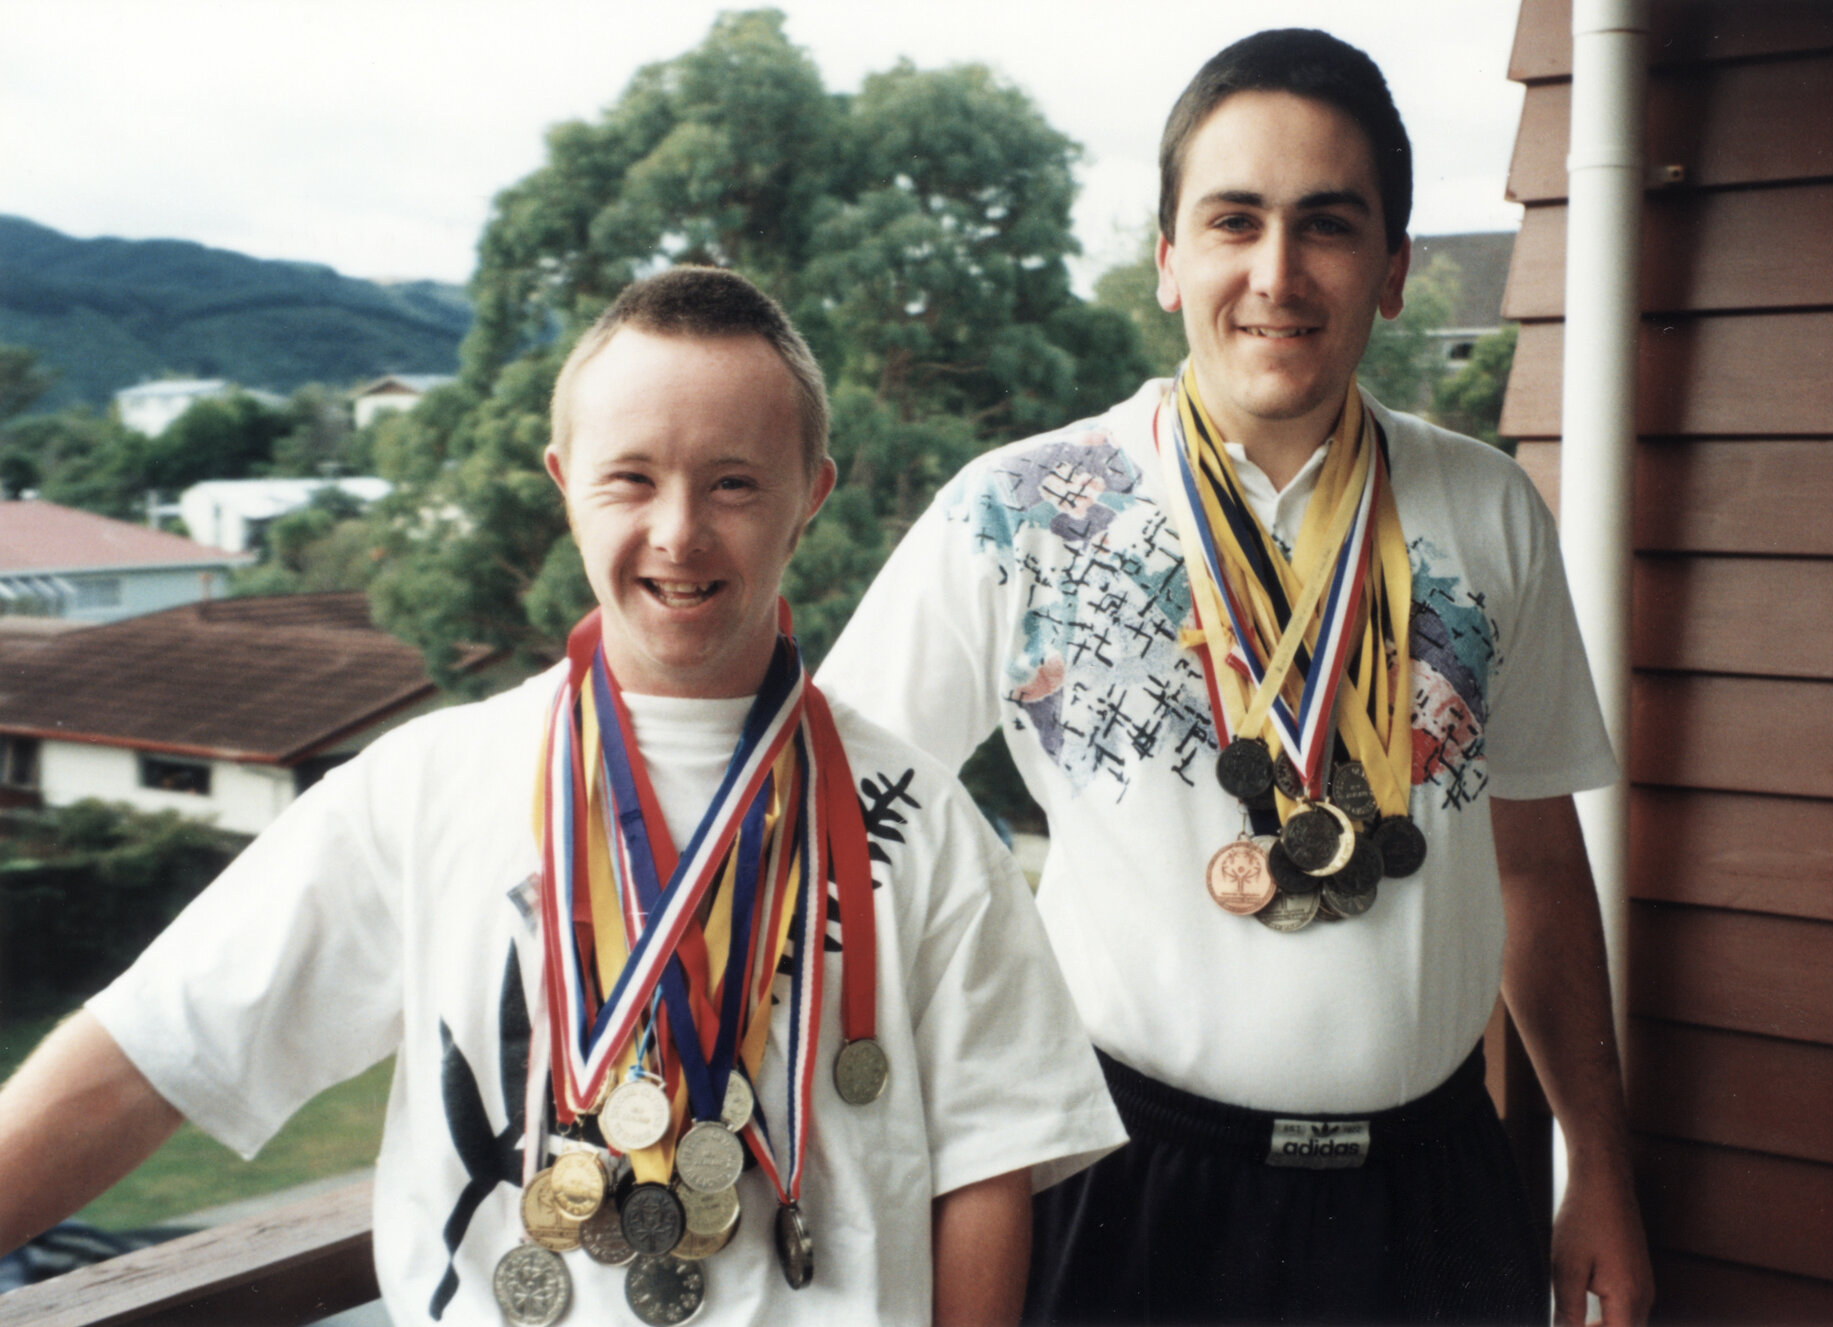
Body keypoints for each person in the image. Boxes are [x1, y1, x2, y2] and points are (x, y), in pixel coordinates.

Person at [0, 267, 1125, 1326]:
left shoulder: (921, 820)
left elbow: (988, 1171)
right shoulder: (423, 787)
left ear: (811, 496)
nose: (678, 530)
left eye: (733, 482)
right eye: (630, 477)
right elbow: (149, 1057)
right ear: (563, 487)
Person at [818, 28, 1653, 1327]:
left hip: (1431, 1201)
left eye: (1324, 225)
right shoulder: (1020, 514)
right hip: (1118, 1189)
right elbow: (835, 823)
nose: (1275, 274)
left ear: (1390, 269)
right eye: (1231, 221)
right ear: (1166, 259)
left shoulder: (1486, 512)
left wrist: (1596, 1161)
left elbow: (1536, 860)